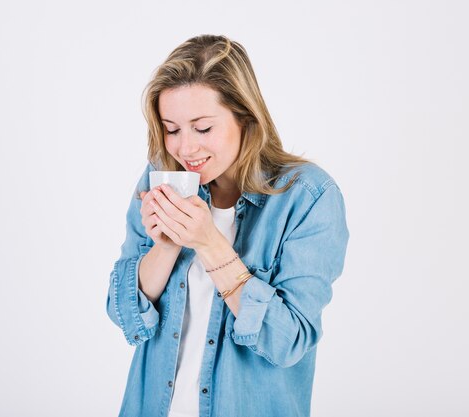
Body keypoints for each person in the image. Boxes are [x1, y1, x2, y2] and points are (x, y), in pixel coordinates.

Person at [106, 34, 349, 417]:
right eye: (171, 129)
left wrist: (209, 243)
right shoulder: (163, 177)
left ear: (245, 118)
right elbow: (125, 315)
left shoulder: (308, 197)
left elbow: (288, 341)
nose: (185, 149)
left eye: (202, 129)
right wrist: (167, 245)